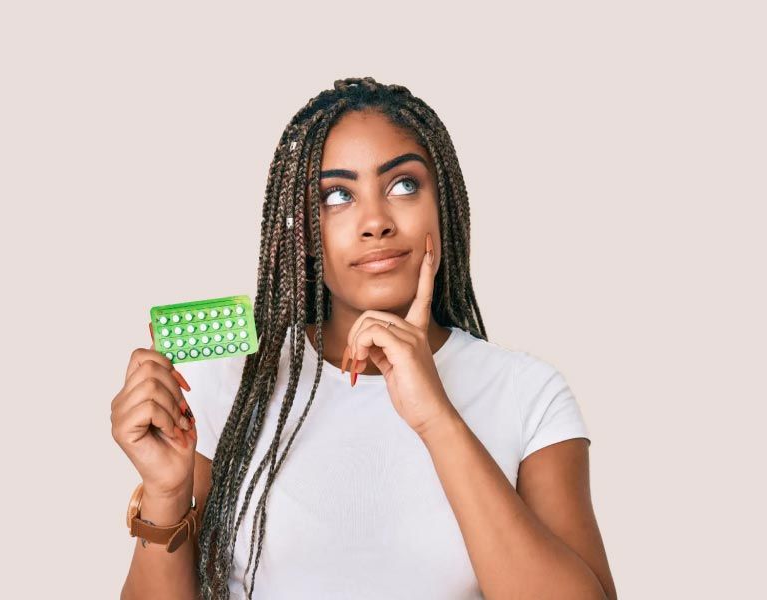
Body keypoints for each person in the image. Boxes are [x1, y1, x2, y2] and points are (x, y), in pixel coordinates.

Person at [112, 76, 617, 600]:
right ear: (304, 231)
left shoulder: (528, 393)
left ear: (442, 203)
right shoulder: (227, 383)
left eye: (403, 185)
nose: (375, 221)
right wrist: (166, 494)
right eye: (337, 196)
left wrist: (436, 418)